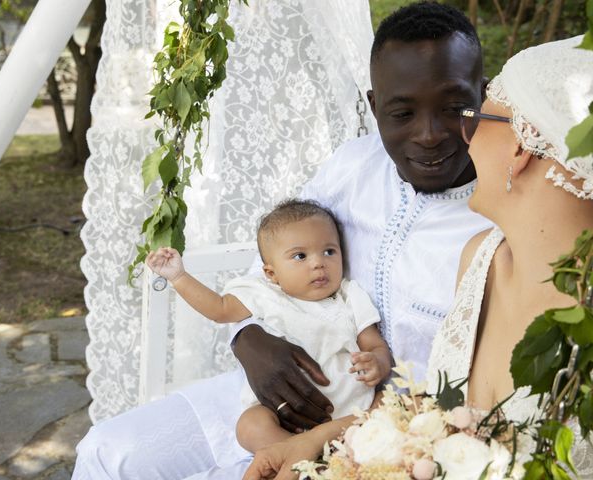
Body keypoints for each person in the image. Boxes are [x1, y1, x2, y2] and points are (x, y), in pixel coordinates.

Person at [72, 3, 492, 478]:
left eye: (455, 107)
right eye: (402, 112)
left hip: (390, 438)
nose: (430, 134)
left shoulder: (503, 211)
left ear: (484, 93)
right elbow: (273, 259)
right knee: (110, 451)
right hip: (273, 397)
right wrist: (249, 340)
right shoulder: (354, 166)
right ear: (375, 108)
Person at [244, 34, 593, 480]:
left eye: (478, 115)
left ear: (520, 147)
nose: (458, 133)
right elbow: (438, 414)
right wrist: (313, 443)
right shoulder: (479, 259)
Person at [145, 199, 392, 453]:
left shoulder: (349, 297)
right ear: (271, 273)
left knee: (386, 408)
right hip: (286, 418)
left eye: (329, 251)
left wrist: (378, 362)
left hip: (348, 414)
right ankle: (297, 454)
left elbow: (374, 344)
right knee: (250, 426)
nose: (318, 263)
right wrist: (179, 277)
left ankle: (320, 454)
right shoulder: (264, 294)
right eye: (300, 256)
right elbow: (219, 309)